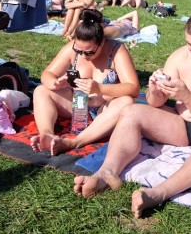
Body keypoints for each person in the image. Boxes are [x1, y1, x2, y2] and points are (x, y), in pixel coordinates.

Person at [73, 12, 191, 219]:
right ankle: (106, 173)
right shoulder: (180, 56)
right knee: (131, 111)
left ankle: (158, 193)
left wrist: (188, 96)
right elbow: (156, 104)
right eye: (189, 44)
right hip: (180, 123)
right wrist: (155, 89)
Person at [31, 9, 139, 156]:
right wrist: (54, 84)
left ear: (101, 43)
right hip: (77, 105)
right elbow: (47, 74)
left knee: (126, 102)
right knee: (41, 91)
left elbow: (133, 88)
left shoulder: (117, 51)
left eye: (89, 52)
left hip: (104, 111)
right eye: (79, 50)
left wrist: (99, 88)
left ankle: (75, 142)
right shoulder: (73, 49)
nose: (83, 55)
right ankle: (47, 134)